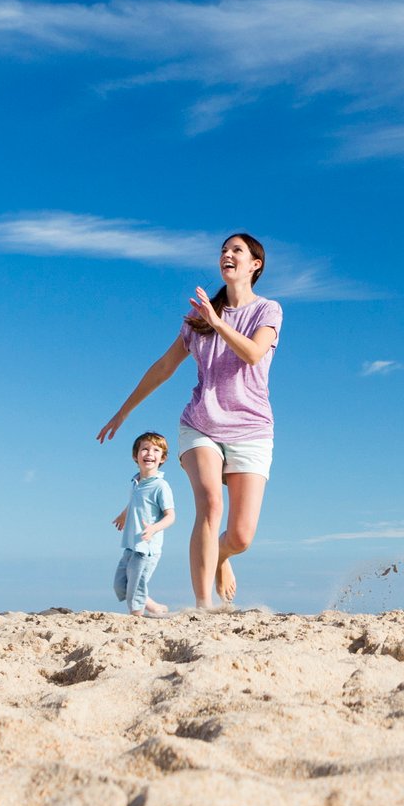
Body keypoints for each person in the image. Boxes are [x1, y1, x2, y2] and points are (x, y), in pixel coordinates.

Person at [97, 233, 282, 611]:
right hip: (201, 425)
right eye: (223, 251)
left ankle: (221, 558)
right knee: (210, 504)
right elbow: (165, 367)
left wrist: (218, 322)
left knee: (242, 535)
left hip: (251, 429)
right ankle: (203, 606)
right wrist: (124, 410)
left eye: (237, 251)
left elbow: (253, 353)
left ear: (255, 265)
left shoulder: (268, 310)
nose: (227, 255)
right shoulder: (200, 317)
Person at [112, 431, 176, 616]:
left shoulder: (160, 486)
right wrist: (124, 515)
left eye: (156, 450)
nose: (149, 453)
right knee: (120, 586)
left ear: (162, 458)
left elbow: (171, 516)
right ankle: (155, 607)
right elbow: (135, 502)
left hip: (147, 548)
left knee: (136, 588)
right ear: (135, 455)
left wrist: (154, 528)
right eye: (145, 449)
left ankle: (136, 618)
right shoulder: (135, 482)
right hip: (131, 544)